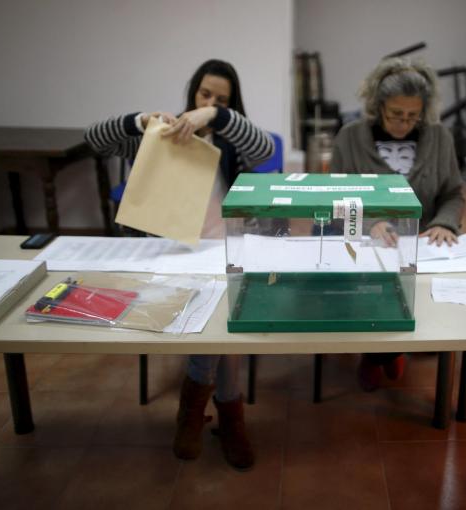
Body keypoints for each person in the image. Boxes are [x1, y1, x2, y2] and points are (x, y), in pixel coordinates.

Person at [85, 59, 274, 467]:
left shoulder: (230, 139)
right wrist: (137, 121)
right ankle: (230, 416)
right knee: (223, 326)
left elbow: (266, 149)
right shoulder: (163, 134)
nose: (209, 102)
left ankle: (192, 416)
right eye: (204, 94)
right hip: (173, 254)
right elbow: (94, 141)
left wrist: (217, 117)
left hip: (226, 249)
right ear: (192, 91)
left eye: (221, 99)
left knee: (223, 315)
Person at [330, 57, 465, 391]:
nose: (403, 124)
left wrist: (445, 223)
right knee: (373, 291)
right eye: (395, 115)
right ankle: (383, 353)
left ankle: (382, 353)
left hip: (419, 248)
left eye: (412, 116)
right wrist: (370, 223)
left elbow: (453, 194)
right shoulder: (350, 138)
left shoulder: (439, 138)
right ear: (378, 106)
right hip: (363, 249)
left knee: (418, 294)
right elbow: (337, 199)